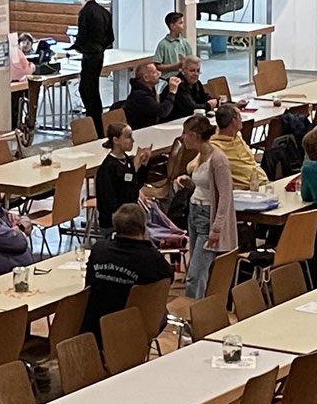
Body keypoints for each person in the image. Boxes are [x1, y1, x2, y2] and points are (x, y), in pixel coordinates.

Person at [81, 202, 174, 336]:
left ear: (116, 227)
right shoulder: (151, 258)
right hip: (134, 327)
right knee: (161, 311)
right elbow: (167, 280)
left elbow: (88, 282)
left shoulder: (99, 250)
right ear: (143, 229)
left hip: (95, 326)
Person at [178, 114, 235, 300]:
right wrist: (188, 183)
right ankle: (199, 308)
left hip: (207, 218)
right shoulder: (200, 156)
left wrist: (216, 228)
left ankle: (192, 314)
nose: (183, 137)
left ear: (194, 135)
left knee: (194, 275)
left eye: (185, 133)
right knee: (197, 271)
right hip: (194, 212)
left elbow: (225, 196)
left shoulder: (218, 160)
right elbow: (204, 186)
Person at [74, 0, 114, 133]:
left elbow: (82, 34)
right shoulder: (104, 12)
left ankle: (95, 122)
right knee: (89, 87)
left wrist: (78, 47)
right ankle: (95, 119)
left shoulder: (85, 12)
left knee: (88, 89)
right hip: (100, 53)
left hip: (90, 54)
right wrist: (101, 47)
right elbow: (111, 36)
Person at [93, 123, 148, 228]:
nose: (132, 140)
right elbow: (108, 201)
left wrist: (143, 167)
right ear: (116, 140)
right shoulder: (107, 168)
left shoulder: (126, 160)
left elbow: (134, 186)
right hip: (115, 223)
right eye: (128, 137)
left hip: (129, 217)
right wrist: (123, 219)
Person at [209, 101, 266, 191]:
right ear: (233, 121)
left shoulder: (237, 135)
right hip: (246, 189)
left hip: (260, 180)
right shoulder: (214, 146)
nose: (242, 119)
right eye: (239, 117)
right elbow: (192, 166)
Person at [158, 54, 212, 122]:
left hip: (188, 120)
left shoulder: (197, 83)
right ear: (183, 71)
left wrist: (214, 101)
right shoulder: (178, 84)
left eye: (198, 71)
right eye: (192, 71)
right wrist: (208, 105)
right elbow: (191, 108)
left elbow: (206, 97)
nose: (196, 74)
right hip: (173, 122)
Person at [120, 62, 164, 129]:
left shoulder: (150, 88)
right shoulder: (139, 95)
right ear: (146, 78)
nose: (159, 73)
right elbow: (161, 112)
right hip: (140, 129)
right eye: (154, 72)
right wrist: (172, 92)